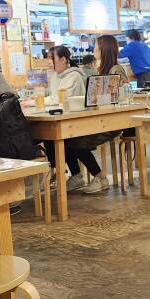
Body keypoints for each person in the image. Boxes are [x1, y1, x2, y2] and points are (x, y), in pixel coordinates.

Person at [44, 46, 108, 193]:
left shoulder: (74, 76)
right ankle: (76, 176)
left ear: (63, 59)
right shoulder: (54, 76)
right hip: (63, 120)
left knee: (74, 143)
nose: (48, 62)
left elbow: (61, 98)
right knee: (54, 139)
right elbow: (51, 95)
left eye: (51, 58)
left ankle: (100, 177)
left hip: (80, 121)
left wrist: (39, 100)